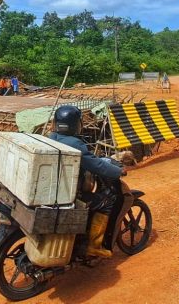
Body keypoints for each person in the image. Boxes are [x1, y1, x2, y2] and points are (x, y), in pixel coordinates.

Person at [49, 105, 124, 258]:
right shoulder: (75, 144)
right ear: (76, 124)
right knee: (107, 201)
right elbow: (95, 165)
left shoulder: (51, 137)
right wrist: (118, 171)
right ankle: (94, 246)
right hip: (71, 193)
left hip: (55, 188)